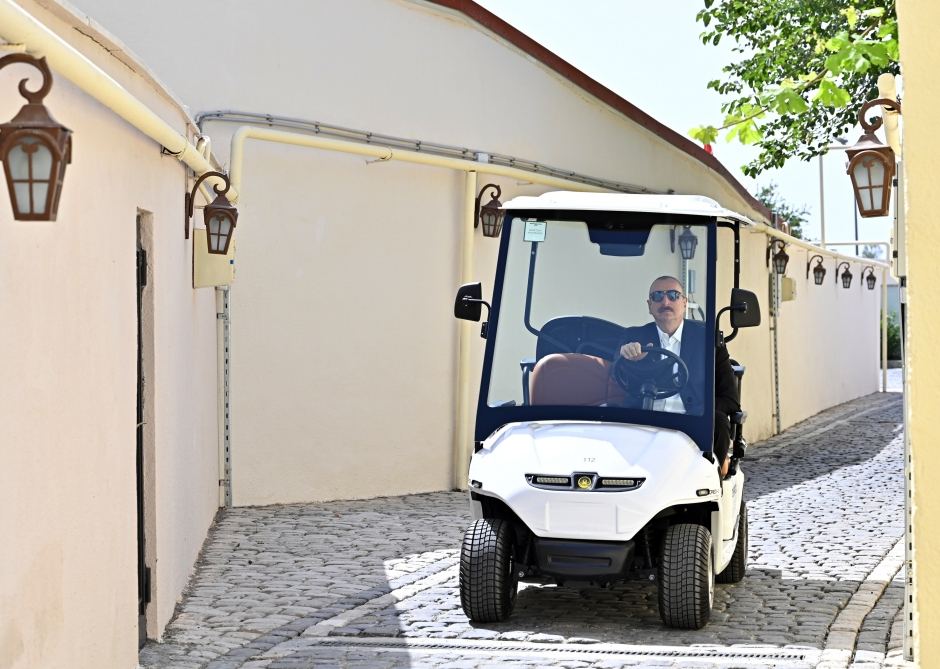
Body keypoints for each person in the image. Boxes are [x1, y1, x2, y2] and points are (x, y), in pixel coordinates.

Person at [619, 276, 740, 477]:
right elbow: (620, 378)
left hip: (693, 424)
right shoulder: (634, 338)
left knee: (718, 421)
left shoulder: (708, 338)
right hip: (646, 422)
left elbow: (730, 399)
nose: (665, 302)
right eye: (657, 296)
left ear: (684, 302)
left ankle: (713, 481)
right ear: (649, 305)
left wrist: (701, 411)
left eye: (673, 295)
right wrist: (630, 359)